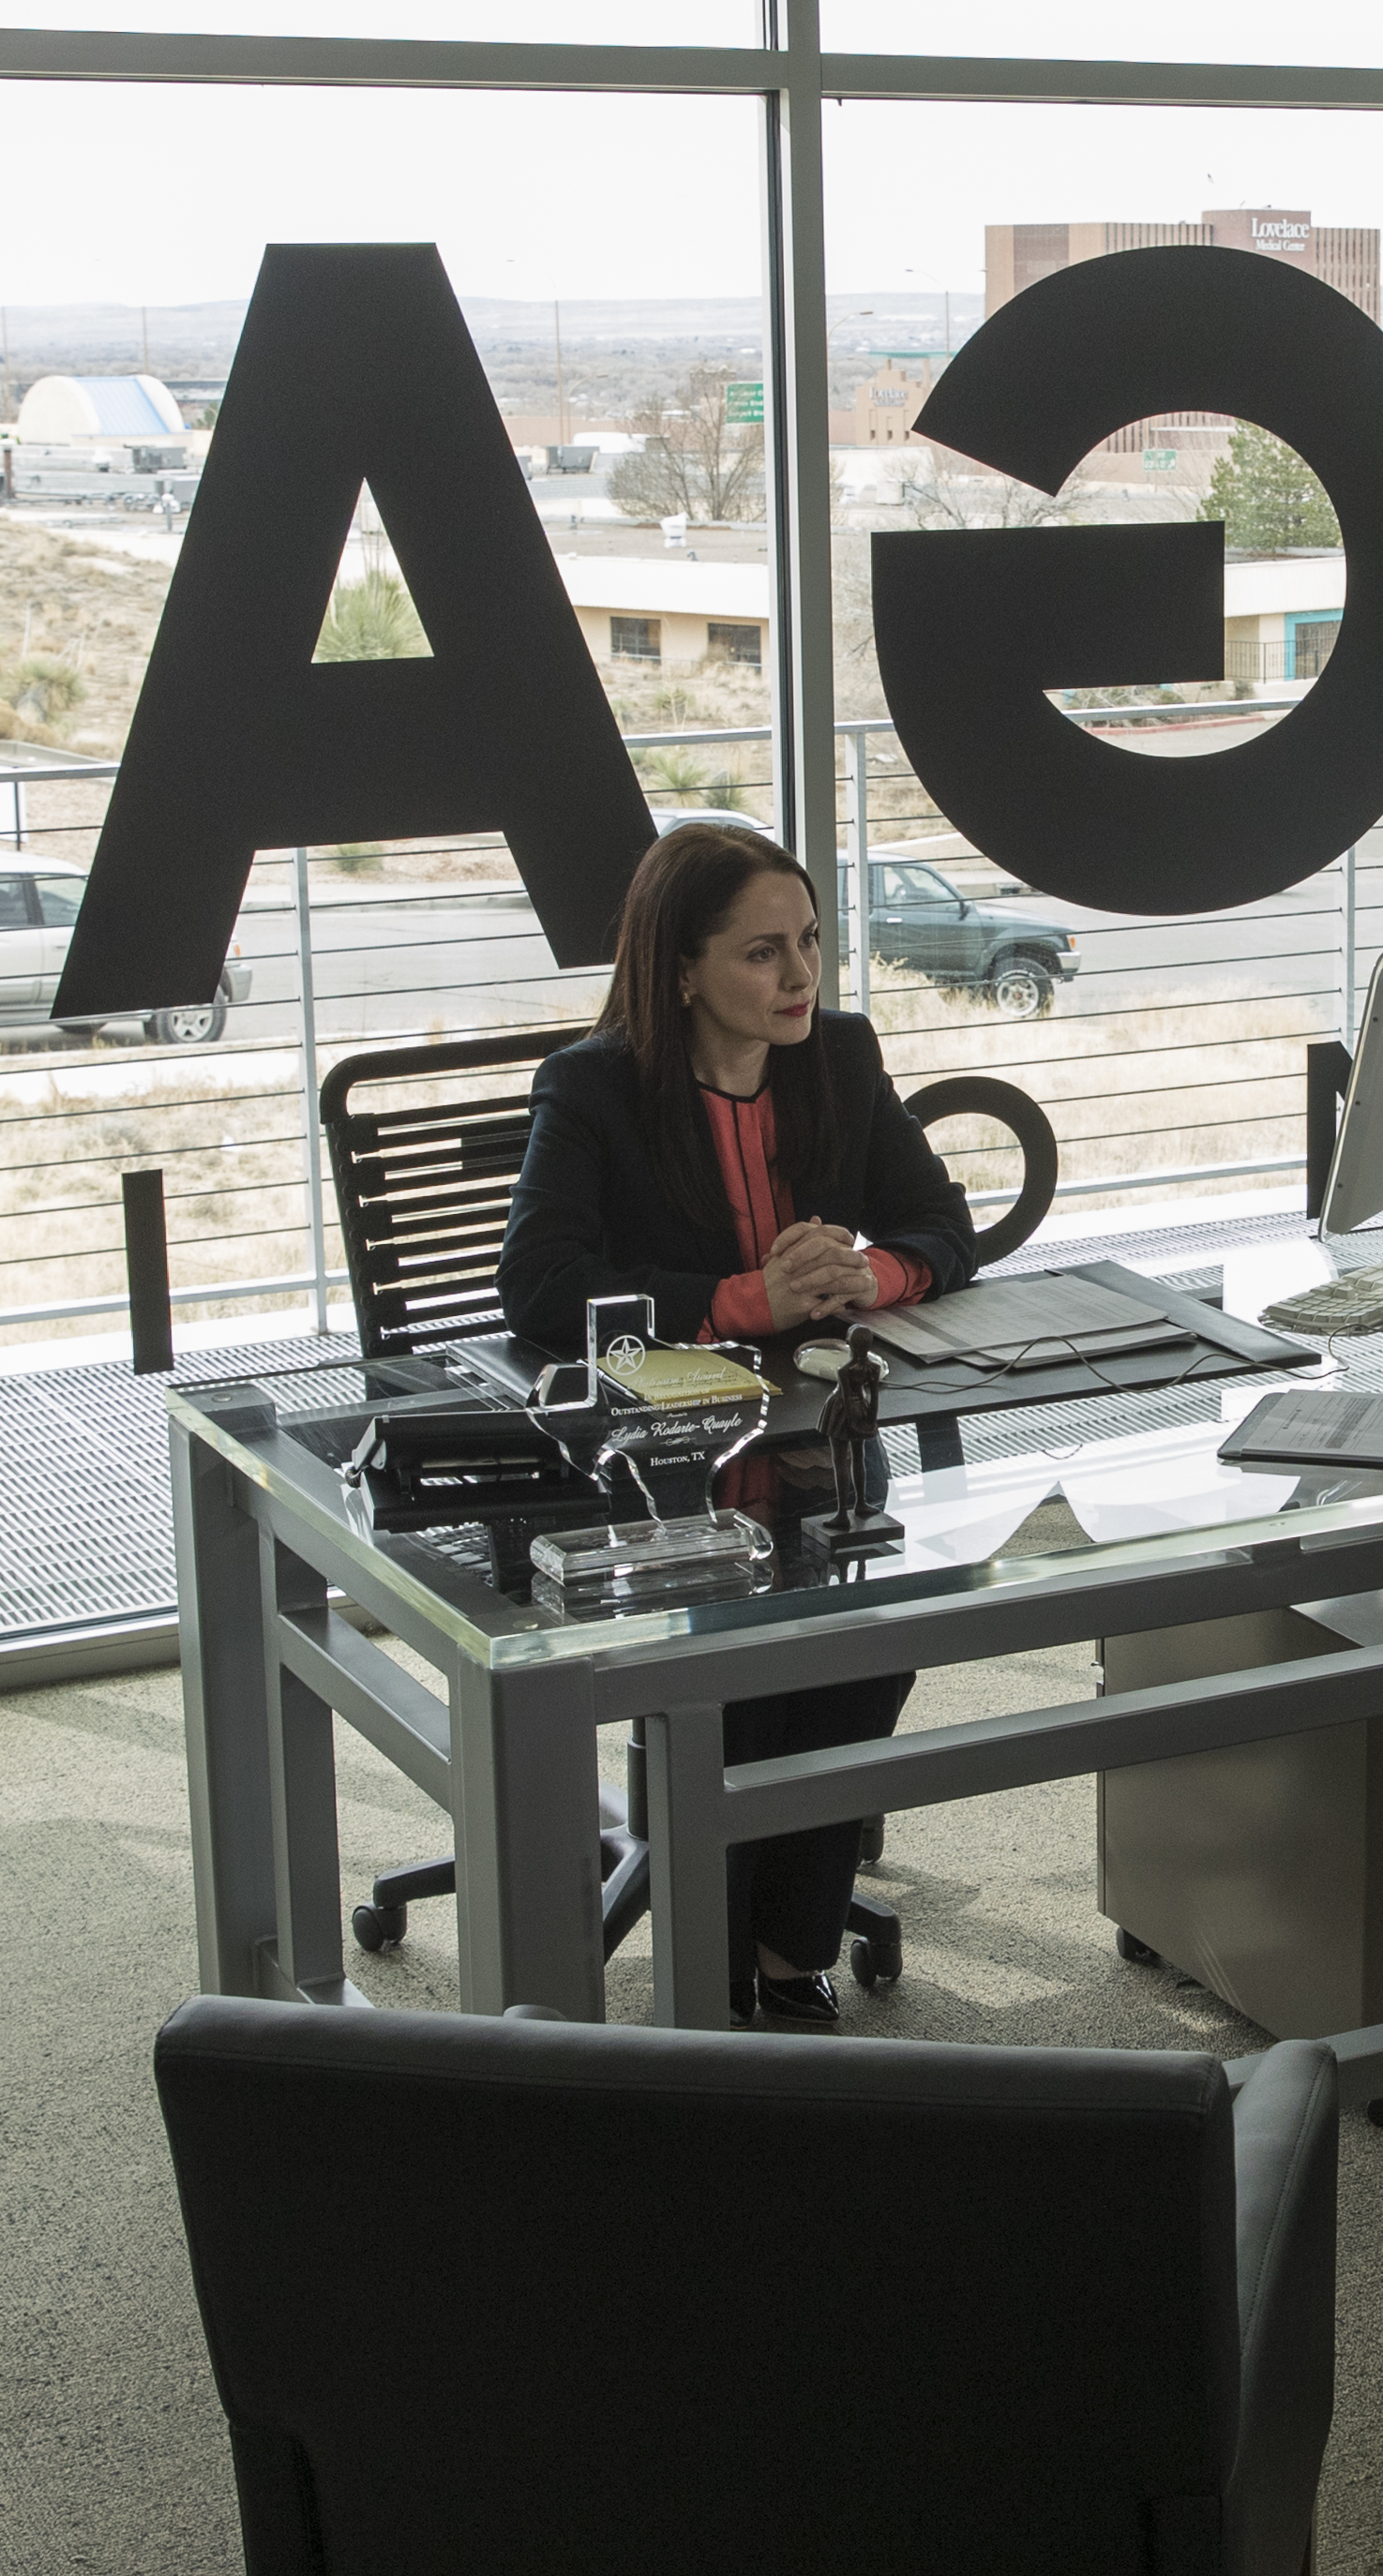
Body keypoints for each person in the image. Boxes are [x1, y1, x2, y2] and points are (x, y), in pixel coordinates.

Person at [497, 822, 979, 2024]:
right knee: (745, 1661)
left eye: (809, 941)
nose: (801, 975)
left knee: (875, 1627)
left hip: (812, 1445)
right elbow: (542, 1287)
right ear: (680, 969)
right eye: (763, 953)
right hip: (654, 1466)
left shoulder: (840, 1057)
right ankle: (710, 1971)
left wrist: (872, 1275)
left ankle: (785, 1945)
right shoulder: (594, 1088)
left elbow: (942, 1226)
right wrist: (734, 1301)